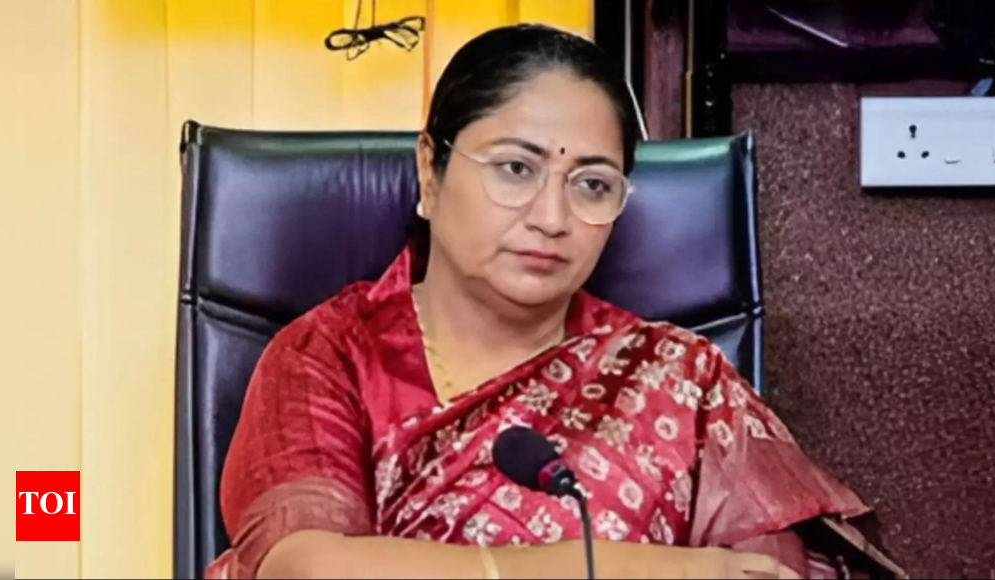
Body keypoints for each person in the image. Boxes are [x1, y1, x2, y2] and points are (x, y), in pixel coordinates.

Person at [208, 24, 904, 580]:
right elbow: (308, 568)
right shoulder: (329, 356)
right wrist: (616, 568)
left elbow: (764, 572)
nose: (551, 217)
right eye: (516, 168)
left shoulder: (678, 380)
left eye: (592, 184)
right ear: (430, 169)